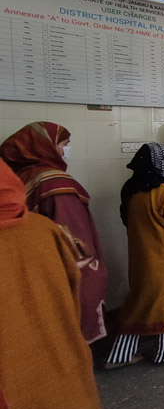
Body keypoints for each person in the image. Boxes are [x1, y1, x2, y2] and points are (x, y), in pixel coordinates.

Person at [0, 159, 108, 409]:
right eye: (62, 141)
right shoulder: (43, 228)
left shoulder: (37, 185)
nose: (65, 149)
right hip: (53, 369)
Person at [0, 121, 107, 343]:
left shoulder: (21, 176)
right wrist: (92, 271)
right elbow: (73, 232)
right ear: (45, 146)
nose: (66, 149)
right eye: (64, 143)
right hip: (59, 267)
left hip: (27, 267)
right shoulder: (55, 181)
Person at [105, 143, 164, 368]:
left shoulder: (133, 190)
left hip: (141, 261)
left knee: (138, 303)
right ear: (163, 163)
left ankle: (121, 355)